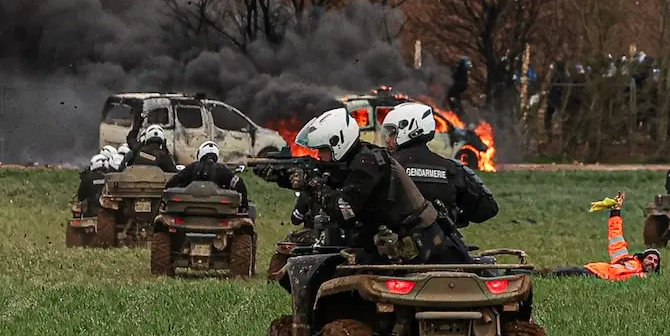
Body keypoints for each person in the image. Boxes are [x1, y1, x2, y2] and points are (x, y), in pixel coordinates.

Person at [261, 107, 471, 265]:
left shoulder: (367, 164)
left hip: (418, 249)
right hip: (396, 245)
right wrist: (280, 175)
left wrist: (310, 183)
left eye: (322, 150)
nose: (319, 156)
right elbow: (329, 181)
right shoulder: (359, 159)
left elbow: (344, 209)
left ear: (338, 143)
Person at [381, 102, 499, 229]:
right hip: (441, 246)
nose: (388, 139)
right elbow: (487, 209)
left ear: (411, 129)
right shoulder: (452, 168)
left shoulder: (384, 166)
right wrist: (455, 216)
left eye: (392, 133)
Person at [537, 192, 661, 281]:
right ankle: (522, 273)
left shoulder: (643, 279)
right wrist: (616, 212)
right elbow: (615, 235)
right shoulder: (625, 259)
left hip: (595, 280)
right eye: (650, 258)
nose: (652, 262)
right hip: (593, 272)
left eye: (655, 262)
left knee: (555, 275)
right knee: (553, 274)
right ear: (642, 258)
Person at [165, 141, 249, 210]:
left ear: (200, 153)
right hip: (219, 214)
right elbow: (239, 184)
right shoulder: (222, 170)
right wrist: (244, 207)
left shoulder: (192, 167)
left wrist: (164, 198)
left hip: (190, 211)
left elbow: (174, 180)